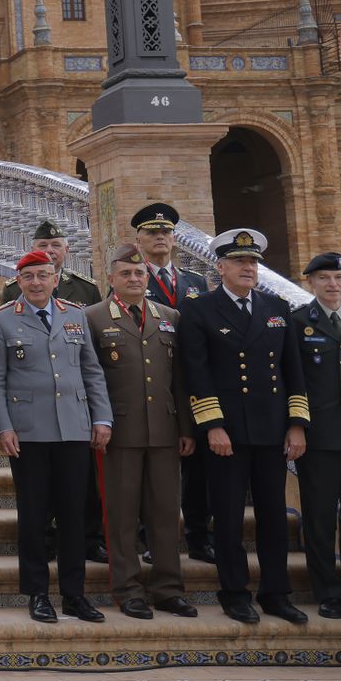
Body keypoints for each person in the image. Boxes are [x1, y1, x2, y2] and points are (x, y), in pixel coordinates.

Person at [179, 228, 310, 624]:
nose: (248, 268)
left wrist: (297, 424)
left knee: (272, 517)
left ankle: (276, 593)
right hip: (227, 434)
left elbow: (293, 371)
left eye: (252, 262)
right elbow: (196, 375)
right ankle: (234, 592)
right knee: (229, 516)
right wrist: (213, 426)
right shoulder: (200, 309)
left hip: (272, 429)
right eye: (239, 262)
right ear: (220, 268)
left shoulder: (276, 307)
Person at [0, 249, 112, 624]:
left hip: (74, 427)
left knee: (74, 513)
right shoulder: (3, 321)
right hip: (28, 432)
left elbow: (92, 371)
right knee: (34, 516)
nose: (37, 283)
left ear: (55, 278)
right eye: (29, 277)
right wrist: (3, 427)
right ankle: (38, 592)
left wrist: (102, 417)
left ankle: (75, 594)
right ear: (18, 281)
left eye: (43, 276)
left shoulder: (76, 315)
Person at [83, 244, 198, 620]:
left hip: (165, 430)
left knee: (166, 513)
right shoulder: (93, 317)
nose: (134, 279)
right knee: (121, 516)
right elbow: (91, 377)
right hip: (119, 432)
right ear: (112, 279)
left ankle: (169, 589)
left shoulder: (169, 317)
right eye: (126, 274)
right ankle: (128, 590)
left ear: (147, 278)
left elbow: (179, 379)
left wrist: (185, 427)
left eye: (140, 274)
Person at [133, 201, 215, 564]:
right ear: (139, 239)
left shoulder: (197, 284)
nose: (160, 238)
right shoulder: (132, 280)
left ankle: (200, 536)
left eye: (165, 232)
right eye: (152, 232)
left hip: (195, 388)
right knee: (153, 471)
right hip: (153, 387)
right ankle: (149, 538)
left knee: (199, 469)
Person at [290, 251, 341, 618]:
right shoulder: (298, 322)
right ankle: (328, 591)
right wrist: (297, 427)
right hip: (318, 435)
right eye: (324, 278)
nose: (332, 284)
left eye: (338, 277)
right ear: (311, 283)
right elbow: (294, 381)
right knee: (319, 517)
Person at [0, 220, 103, 305]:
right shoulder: (14, 289)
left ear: (66, 250)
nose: (49, 250)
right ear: (32, 250)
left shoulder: (86, 288)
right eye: (43, 245)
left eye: (56, 245)